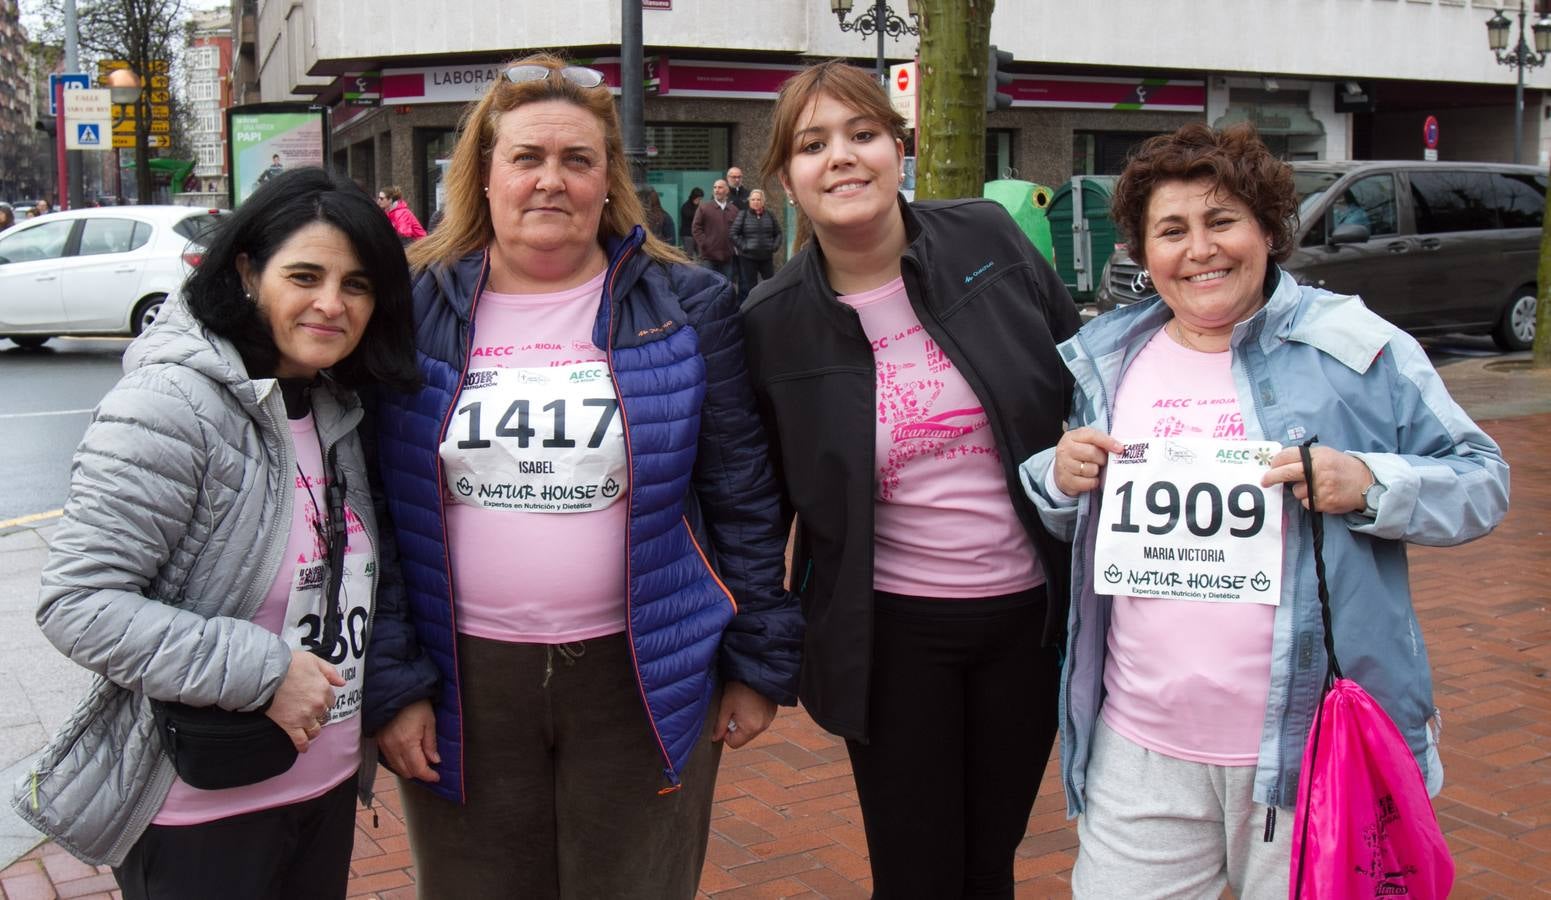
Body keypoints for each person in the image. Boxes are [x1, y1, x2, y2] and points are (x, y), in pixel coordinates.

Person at [1019, 123, 1509, 899]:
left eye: (1222, 222)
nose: (1199, 250)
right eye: (1171, 231)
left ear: (1267, 231)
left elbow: (1482, 481)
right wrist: (1057, 475)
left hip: (1308, 750)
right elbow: (1081, 519)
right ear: (1144, 253)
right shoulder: (1107, 357)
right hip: (1140, 746)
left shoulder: (1355, 344)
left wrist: (1367, 482)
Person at [366, 53, 801, 898]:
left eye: (577, 160)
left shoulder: (687, 304)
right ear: (484, 175)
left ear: (609, 180)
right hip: (462, 680)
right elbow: (378, 505)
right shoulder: (414, 309)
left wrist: (757, 660)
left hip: (645, 674)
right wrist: (392, 681)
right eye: (525, 157)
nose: (549, 181)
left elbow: (740, 493)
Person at [9, 167, 421, 898]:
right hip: (200, 808)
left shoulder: (333, 404)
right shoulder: (172, 404)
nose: (331, 304)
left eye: (356, 284)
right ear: (245, 271)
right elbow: (77, 602)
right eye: (305, 275)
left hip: (318, 787)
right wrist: (263, 671)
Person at [741, 60, 1082, 898]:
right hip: (889, 635)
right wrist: (756, 652)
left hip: (1028, 620)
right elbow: (754, 507)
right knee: (916, 872)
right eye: (813, 144)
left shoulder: (986, 239)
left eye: (862, 134)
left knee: (987, 860)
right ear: (786, 177)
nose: (843, 158)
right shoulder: (770, 324)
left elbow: (1087, 374)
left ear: (899, 149)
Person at [729, 188, 781, 302]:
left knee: (771, 284)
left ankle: (770, 305)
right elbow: (733, 233)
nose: (755, 202)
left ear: (763, 201)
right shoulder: (743, 215)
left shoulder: (770, 215)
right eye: (753, 199)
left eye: (758, 199)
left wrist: (774, 246)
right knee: (750, 287)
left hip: (766, 257)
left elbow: (778, 233)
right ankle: (753, 308)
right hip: (748, 258)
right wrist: (744, 246)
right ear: (749, 201)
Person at [692, 177, 738, 287]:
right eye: (715, 187)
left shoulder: (734, 210)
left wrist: (733, 246)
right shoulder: (704, 208)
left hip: (727, 257)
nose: (717, 190)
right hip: (708, 257)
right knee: (708, 287)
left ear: (727, 190)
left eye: (720, 187)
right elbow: (696, 228)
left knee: (727, 288)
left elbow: (738, 230)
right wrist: (705, 243)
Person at [679, 185, 703, 257]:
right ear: (694, 197)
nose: (699, 200)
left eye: (700, 199)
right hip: (688, 234)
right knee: (689, 255)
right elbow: (692, 216)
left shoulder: (697, 206)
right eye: (698, 199)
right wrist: (700, 209)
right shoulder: (686, 206)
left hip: (697, 234)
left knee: (701, 254)